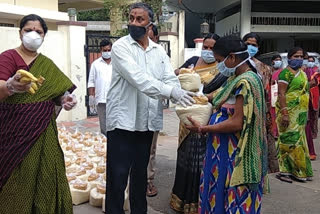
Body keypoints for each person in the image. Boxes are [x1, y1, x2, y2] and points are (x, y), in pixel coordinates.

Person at [105, 3, 195, 214]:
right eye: (132, 18)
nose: (134, 23)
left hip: (146, 123)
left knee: (140, 177)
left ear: (149, 24)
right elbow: (139, 79)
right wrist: (171, 92)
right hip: (122, 122)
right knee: (117, 178)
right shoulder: (120, 47)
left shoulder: (158, 51)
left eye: (140, 19)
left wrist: (178, 90)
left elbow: (169, 78)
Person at [0, 14, 77, 213]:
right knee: (18, 177)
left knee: (48, 174)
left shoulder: (46, 64)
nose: (33, 34)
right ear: (20, 33)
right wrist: (10, 85)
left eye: (39, 31)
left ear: (44, 36)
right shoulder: (8, 57)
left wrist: (65, 100)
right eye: (28, 30)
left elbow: (59, 93)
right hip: (14, 132)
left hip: (43, 132)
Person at [186, 36, 267, 214]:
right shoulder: (235, 78)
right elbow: (217, 96)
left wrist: (203, 129)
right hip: (220, 150)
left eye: (219, 61)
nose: (218, 65)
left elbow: (236, 122)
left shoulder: (246, 82)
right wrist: (190, 97)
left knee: (231, 195)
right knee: (218, 191)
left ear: (231, 58)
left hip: (234, 153)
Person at [170, 33, 222, 214]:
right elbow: (175, 75)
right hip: (186, 117)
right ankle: (180, 200)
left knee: (200, 162)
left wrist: (204, 96)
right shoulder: (193, 60)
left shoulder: (222, 68)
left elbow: (220, 93)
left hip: (204, 119)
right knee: (184, 157)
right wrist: (183, 73)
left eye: (211, 48)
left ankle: (198, 202)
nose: (207, 51)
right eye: (205, 47)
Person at [276, 47, 313, 183]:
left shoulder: (302, 73)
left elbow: (302, 89)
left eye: (301, 56)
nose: (298, 59)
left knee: (300, 142)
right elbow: (281, 94)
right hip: (288, 113)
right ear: (289, 58)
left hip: (300, 114)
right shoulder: (285, 74)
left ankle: (301, 170)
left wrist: (312, 83)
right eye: (296, 56)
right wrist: (285, 113)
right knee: (289, 141)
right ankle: (284, 170)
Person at [243, 32, 279, 173]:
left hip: (260, 112)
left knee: (258, 146)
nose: (250, 47)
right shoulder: (234, 64)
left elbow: (269, 95)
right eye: (247, 44)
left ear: (258, 48)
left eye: (254, 45)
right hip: (241, 110)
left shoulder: (265, 69)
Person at [88, 39, 113, 136]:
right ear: (100, 50)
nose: (107, 52)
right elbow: (91, 81)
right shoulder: (95, 64)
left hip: (115, 100)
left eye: (109, 50)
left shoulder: (117, 63)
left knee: (115, 125)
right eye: (105, 50)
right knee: (104, 127)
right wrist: (91, 97)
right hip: (101, 100)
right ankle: (105, 146)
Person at [146, 24, 160, 197]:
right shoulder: (129, 54)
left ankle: (148, 181)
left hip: (152, 110)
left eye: (149, 38)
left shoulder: (160, 56)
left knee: (150, 149)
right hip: (131, 112)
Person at [304, 55, 320, 160]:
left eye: (311, 61)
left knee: (312, 120)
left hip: (313, 98)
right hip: (300, 103)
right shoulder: (299, 72)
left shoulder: (316, 72)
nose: (309, 62)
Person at [270, 54, 283, 139]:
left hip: (280, 95)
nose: (278, 61)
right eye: (276, 60)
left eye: (279, 60)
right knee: (272, 115)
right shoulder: (268, 71)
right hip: (270, 96)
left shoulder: (283, 72)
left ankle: (279, 132)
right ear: (272, 62)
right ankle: (273, 132)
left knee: (279, 114)